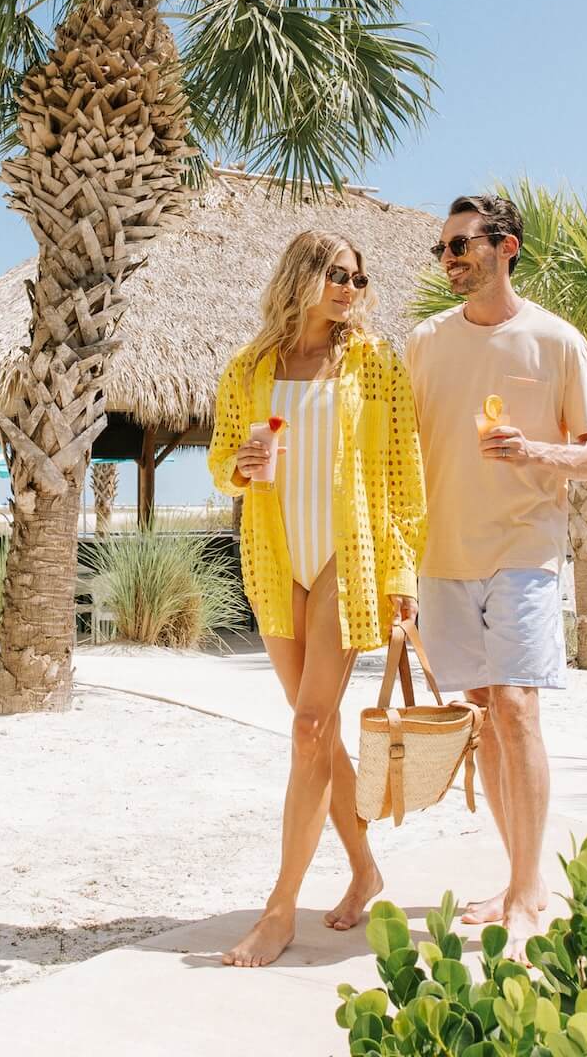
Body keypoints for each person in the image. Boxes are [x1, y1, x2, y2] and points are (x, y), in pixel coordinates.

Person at [405, 194, 587, 956]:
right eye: (442, 249)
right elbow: (394, 446)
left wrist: (536, 452)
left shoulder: (558, 341)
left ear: (507, 247)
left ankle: (531, 889)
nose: (449, 260)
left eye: (461, 246)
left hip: (524, 549)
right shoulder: (425, 342)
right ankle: (513, 877)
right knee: (484, 713)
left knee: (518, 707)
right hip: (442, 552)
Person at [208, 230, 427, 968]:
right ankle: (365, 869)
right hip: (275, 562)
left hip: (346, 558)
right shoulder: (249, 367)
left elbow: (404, 474)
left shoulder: (374, 362)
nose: (349, 289)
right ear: (300, 275)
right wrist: (240, 466)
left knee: (307, 726)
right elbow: (221, 461)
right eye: (337, 274)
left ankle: (279, 912)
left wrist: (402, 578)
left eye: (358, 279)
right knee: (319, 734)